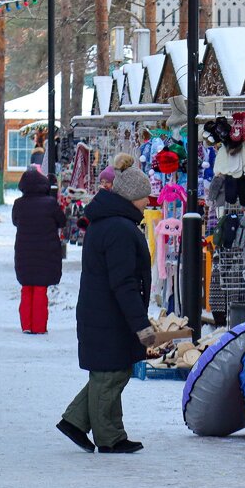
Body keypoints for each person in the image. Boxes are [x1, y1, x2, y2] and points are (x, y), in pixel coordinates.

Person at [56, 153, 153, 454]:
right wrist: (141, 325)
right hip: (109, 314)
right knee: (110, 374)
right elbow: (123, 283)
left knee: (112, 371)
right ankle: (109, 437)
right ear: (132, 197)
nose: (148, 202)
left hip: (104, 311)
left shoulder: (112, 222)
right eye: (145, 197)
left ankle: (77, 421)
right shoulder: (119, 229)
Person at [12, 166, 67, 335]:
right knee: (40, 289)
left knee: (26, 288)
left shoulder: (19, 204)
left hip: (24, 251)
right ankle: (39, 326)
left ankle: (26, 325)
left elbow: (15, 221)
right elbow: (62, 221)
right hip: (46, 251)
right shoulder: (50, 204)